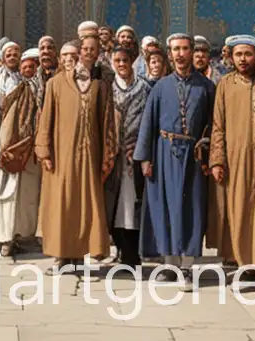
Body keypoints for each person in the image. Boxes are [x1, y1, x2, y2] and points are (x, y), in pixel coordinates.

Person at [208, 34, 255, 276]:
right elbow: (218, 125)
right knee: (238, 209)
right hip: (235, 159)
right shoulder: (225, 84)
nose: (243, 59)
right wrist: (217, 159)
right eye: (238, 54)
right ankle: (243, 263)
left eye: (247, 54)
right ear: (231, 57)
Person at [135, 32, 214, 270]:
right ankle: (169, 264)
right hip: (164, 153)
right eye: (176, 50)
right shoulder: (160, 87)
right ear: (169, 54)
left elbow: (215, 124)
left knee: (192, 206)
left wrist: (210, 153)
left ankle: (187, 266)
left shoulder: (206, 87)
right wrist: (145, 158)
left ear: (192, 51)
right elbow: (148, 122)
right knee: (165, 206)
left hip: (194, 156)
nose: (180, 54)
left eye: (184, 49)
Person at [36, 34, 114, 269]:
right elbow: (46, 120)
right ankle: (61, 256)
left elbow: (106, 123)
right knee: (63, 204)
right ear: (79, 52)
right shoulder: (56, 84)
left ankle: (80, 255)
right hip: (62, 155)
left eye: (93, 49)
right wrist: (44, 152)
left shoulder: (99, 86)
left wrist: (107, 156)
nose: (89, 52)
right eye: (85, 49)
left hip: (89, 156)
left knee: (84, 206)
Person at [0, 43, 42, 259]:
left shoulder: (23, 81)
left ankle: (16, 236)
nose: (12, 57)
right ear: (2, 57)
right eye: (9, 54)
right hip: (3, 144)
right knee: (3, 194)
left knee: (19, 195)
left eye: (16, 54)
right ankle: (3, 240)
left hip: (21, 146)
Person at [106, 41, 150, 268]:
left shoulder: (144, 88)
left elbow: (149, 121)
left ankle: (133, 253)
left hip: (136, 154)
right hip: (113, 155)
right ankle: (119, 248)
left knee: (133, 204)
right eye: (117, 61)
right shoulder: (107, 88)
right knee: (114, 203)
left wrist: (141, 148)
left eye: (125, 60)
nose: (122, 64)